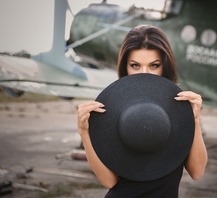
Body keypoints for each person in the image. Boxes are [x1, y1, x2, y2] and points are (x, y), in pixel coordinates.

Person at [77, 25, 208, 197]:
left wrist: (195, 120)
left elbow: (197, 172)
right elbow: (109, 181)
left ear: (165, 65)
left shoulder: (179, 105)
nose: (144, 73)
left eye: (154, 65)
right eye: (135, 65)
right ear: (125, 67)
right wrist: (84, 132)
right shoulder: (111, 108)